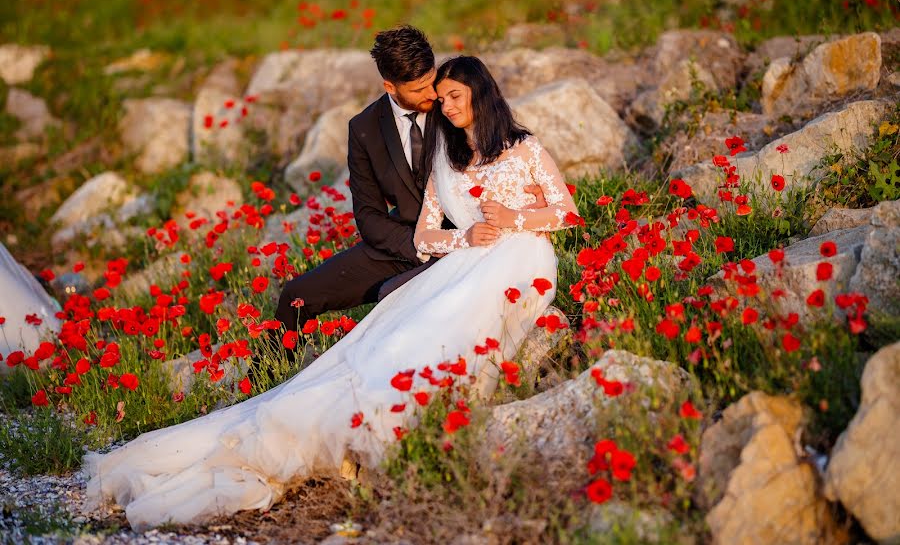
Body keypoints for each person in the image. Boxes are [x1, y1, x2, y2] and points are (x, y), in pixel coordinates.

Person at [83, 55, 579, 531]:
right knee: (396, 339)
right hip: (460, 261)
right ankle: (323, 418)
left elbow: (567, 211)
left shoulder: (524, 147)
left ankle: (396, 425)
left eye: (454, 95)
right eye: (441, 97)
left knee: (446, 333)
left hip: (519, 259)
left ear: (480, 92)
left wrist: (515, 218)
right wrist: (464, 238)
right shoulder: (444, 159)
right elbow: (426, 236)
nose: (445, 105)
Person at [270, 26, 545, 349]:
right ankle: (269, 378)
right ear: (390, 86)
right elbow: (369, 215)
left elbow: (505, 151)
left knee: (391, 307)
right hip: (403, 244)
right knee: (295, 296)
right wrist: (421, 246)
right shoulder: (364, 129)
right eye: (419, 89)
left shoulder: (453, 104)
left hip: (471, 239)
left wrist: (531, 193)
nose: (432, 94)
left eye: (432, 81)